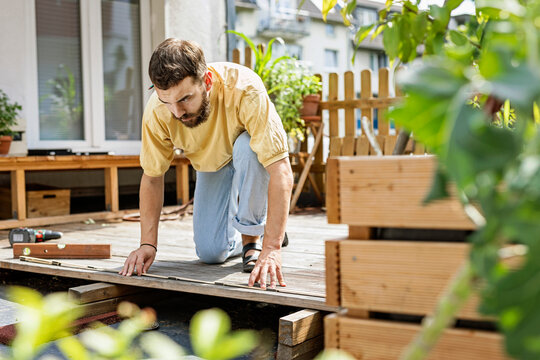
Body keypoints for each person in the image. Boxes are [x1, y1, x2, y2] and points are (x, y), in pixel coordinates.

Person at [119, 38, 293, 290]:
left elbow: (280, 169)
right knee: (211, 253)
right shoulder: (159, 111)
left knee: (248, 147)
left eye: (185, 99)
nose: (177, 112)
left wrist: (272, 248)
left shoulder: (245, 89)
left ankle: (253, 239)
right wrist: (148, 243)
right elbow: (153, 177)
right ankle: (263, 228)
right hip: (212, 165)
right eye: (168, 102)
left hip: (249, 155)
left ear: (207, 82)